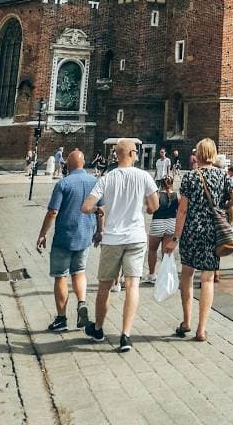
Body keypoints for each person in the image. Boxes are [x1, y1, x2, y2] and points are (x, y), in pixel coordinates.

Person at [81, 137, 159, 352]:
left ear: (116, 155)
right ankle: (125, 335)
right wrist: (143, 207)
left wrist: (100, 210)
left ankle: (98, 329)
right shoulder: (144, 176)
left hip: (112, 238)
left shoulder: (107, 177)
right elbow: (154, 206)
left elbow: (87, 206)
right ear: (133, 154)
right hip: (135, 237)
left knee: (105, 285)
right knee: (132, 285)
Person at [167, 138, 233, 341]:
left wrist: (175, 237)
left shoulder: (190, 178)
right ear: (214, 154)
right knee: (207, 278)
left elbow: (182, 210)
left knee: (187, 275)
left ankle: (186, 321)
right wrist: (222, 205)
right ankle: (202, 329)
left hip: (191, 231)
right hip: (212, 233)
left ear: (197, 155)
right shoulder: (222, 176)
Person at [36, 149, 98, 332]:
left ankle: (62, 319)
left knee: (61, 276)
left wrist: (42, 234)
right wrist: (99, 231)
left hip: (64, 237)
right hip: (85, 235)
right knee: (79, 271)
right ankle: (81, 303)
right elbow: (101, 210)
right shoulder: (94, 181)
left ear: (67, 165)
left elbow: (53, 212)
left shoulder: (63, 183)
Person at [146, 175, 178, 284]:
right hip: (171, 223)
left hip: (158, 223)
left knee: (152, 250)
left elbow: (150, 210)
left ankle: (152, 275)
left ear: (161, 183)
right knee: (166, 252)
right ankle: (165, 275)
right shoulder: (176, 195)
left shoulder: (158, 195)